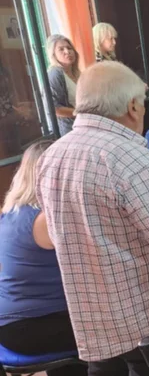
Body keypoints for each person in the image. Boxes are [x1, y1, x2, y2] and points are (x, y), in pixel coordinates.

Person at [35, 61, 149, 375]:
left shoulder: (51, 155)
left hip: (90, 310)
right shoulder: (132, 157)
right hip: (145, 313)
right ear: (132, 106)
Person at [0, 141, 88, 376]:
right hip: (30, 327)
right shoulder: (44, 220)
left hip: (13, 324)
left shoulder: (11, 212)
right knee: (116, 330)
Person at [46, 34, 81, 137]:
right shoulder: (55, 73)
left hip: (81, 125)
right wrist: (80, 113)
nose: (67, 51)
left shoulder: (77, 73)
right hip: (68, 131)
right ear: (54, 55)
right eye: (61, 49)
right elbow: (54, 108)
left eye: (69, 48)